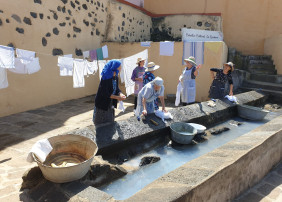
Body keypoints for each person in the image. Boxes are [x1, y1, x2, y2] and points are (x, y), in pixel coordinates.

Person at [93, 60, 126, 126]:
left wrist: (120, 93)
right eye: (119, 67)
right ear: (114, 68)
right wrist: (117, 97)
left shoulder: (115, 77)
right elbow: (105, 93)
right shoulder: (105, 78)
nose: (121, 68)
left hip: (110, 102)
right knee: (102, 124)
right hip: (102, 103)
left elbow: (116, 88)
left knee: (110, 121)